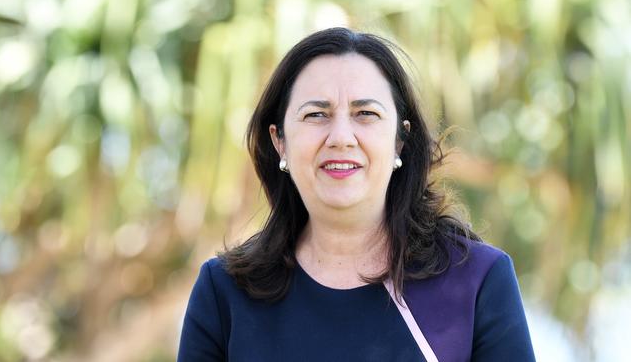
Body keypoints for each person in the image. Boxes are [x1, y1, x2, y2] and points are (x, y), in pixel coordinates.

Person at [178, 27, 535, 362]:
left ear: (400, 139)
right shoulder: (224, 291)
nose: (341, 137)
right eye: (317, 114)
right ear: (279, 141)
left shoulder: (476, 280)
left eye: (366, 113)